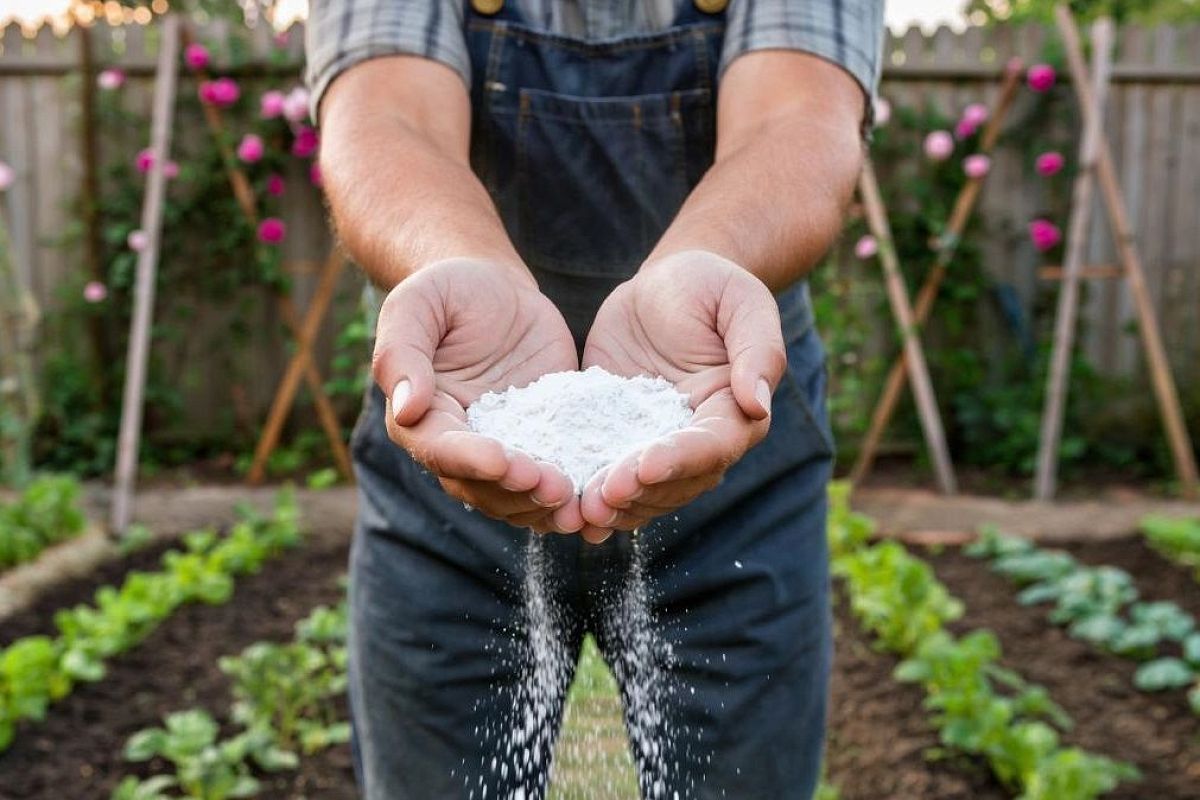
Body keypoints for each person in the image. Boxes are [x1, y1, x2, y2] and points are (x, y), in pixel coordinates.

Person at [307, 0, 882, 797]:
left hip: (719, 399)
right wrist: (463, 264)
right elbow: (384, 116)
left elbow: (798, 117)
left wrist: (702, 268)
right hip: (455, 405)